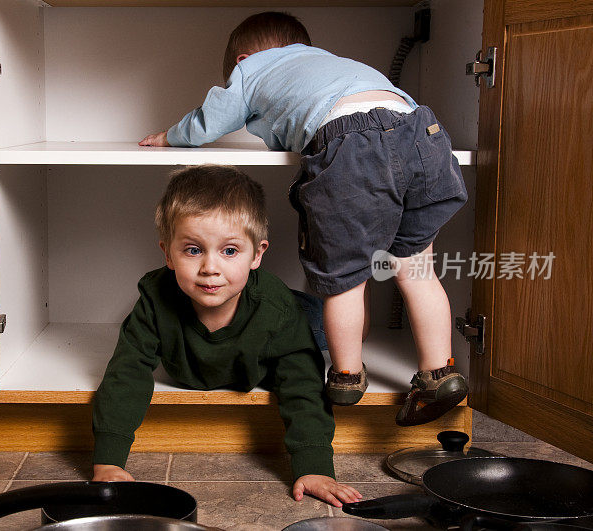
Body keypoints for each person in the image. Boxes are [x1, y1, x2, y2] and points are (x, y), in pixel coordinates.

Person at [139, 12, 469, 426]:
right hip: (423, 133)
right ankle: (440, 374)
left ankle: (347, 375)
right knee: (417, 270)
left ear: (243, 59)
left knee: (346, 277)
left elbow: (212, 120)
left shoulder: (253, 69)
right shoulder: (329, 63)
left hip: (354, 145)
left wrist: (170, 135)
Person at [92, 165, 362, 507]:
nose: (210, 268)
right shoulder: (155, 299)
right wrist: (108, 461)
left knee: (331, 324)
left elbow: (303, 383)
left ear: (258, 254)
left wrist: (314, 466)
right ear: (167, 253)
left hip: (294, 313)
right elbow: (126, 374)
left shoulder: (276, 310)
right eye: (193, 250)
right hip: (251, 324)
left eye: (229, 251)